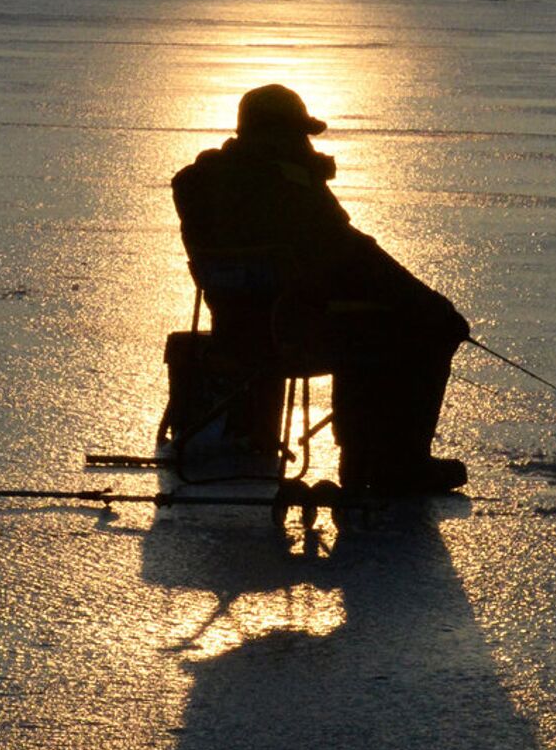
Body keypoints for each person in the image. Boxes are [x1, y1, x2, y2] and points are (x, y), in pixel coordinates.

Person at [171, 84, 469, 495]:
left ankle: (375, 456)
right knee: (425, 328)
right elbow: (353, 255)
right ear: (274, 134)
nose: (304, 142)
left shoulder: (200, 184)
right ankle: (395, 462)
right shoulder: (289, 188)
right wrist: (432, 306)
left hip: (235, 336)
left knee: (372, 320)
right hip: (297, 334)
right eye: (298, 133)